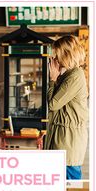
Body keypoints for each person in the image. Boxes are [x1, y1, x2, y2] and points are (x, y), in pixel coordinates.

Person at [44, 35, 88, 180]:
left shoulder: (75, 76)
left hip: (68, 143)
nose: (55, 60)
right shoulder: (67, 75)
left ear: (67, 54)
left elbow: (52, 104)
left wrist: (52, 79)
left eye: (57, 55)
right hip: (60, 139)